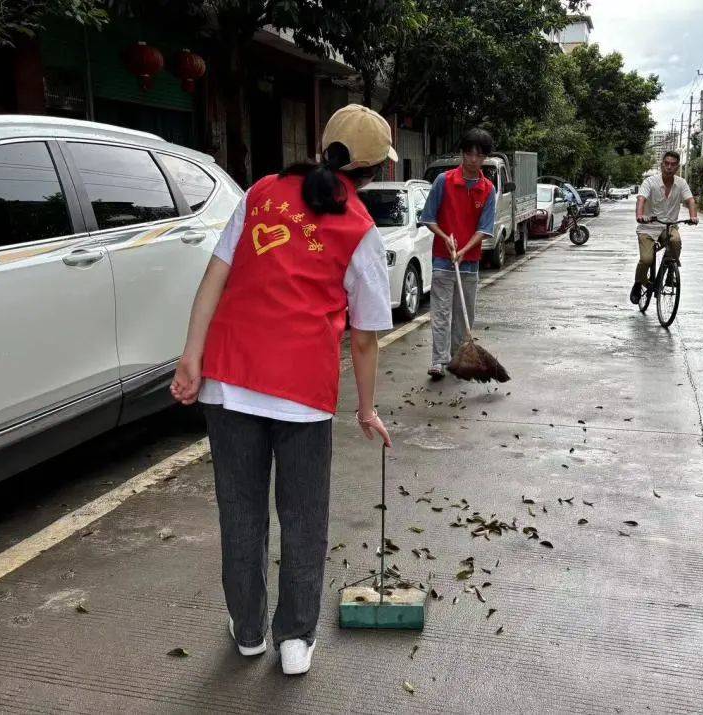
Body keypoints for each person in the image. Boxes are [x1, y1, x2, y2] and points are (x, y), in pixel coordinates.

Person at [170, 104, 395, 676]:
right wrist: (366, 410)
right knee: (302, 518)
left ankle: (247, 631)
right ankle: (294, 638)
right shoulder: (361, 228)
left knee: (240, 513)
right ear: (370, 170)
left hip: (228, 380)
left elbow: (213, 280)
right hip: (302, 394)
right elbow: (365, 339)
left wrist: (191, 359)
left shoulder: (261, 192)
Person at [421, 128, 497, 379]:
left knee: (464, 316)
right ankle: (438, 360)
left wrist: (464, 250)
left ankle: (456, 358)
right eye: (469, 153)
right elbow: (429, 218)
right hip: (443, 258)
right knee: (441, 312)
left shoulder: (488, 190)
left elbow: (484, 230)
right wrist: (445, 238)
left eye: (479, 155)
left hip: (469, 262)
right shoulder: (443, 181)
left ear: (485, 158)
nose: (473, 159)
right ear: (462, 154)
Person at [631, 151, 698, 304]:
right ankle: (638, 283)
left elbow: (691, 200)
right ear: (661, 165)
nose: (669, 167)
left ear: (677, 167)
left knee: (675, 241)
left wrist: (693, 216)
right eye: (666, 163)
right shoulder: (650, 182)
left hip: (668, 226)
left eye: (673, 164)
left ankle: (669, 274)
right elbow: (641, 199)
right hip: (648, 227)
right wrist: (640, 215)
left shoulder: (681, 183)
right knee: (646, 259)